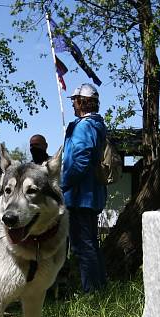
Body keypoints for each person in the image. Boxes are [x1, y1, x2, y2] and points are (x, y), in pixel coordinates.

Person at [61, 83, 108, 293]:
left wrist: (62, 183)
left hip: (80, 196)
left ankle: (92, 293)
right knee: (90, 244)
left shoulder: (84, 126)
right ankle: (99, 289)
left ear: (83, 102)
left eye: (75, 100)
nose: (72, 104)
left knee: (82, 246)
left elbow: (80, 161)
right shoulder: (95, 125)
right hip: (90, 195)